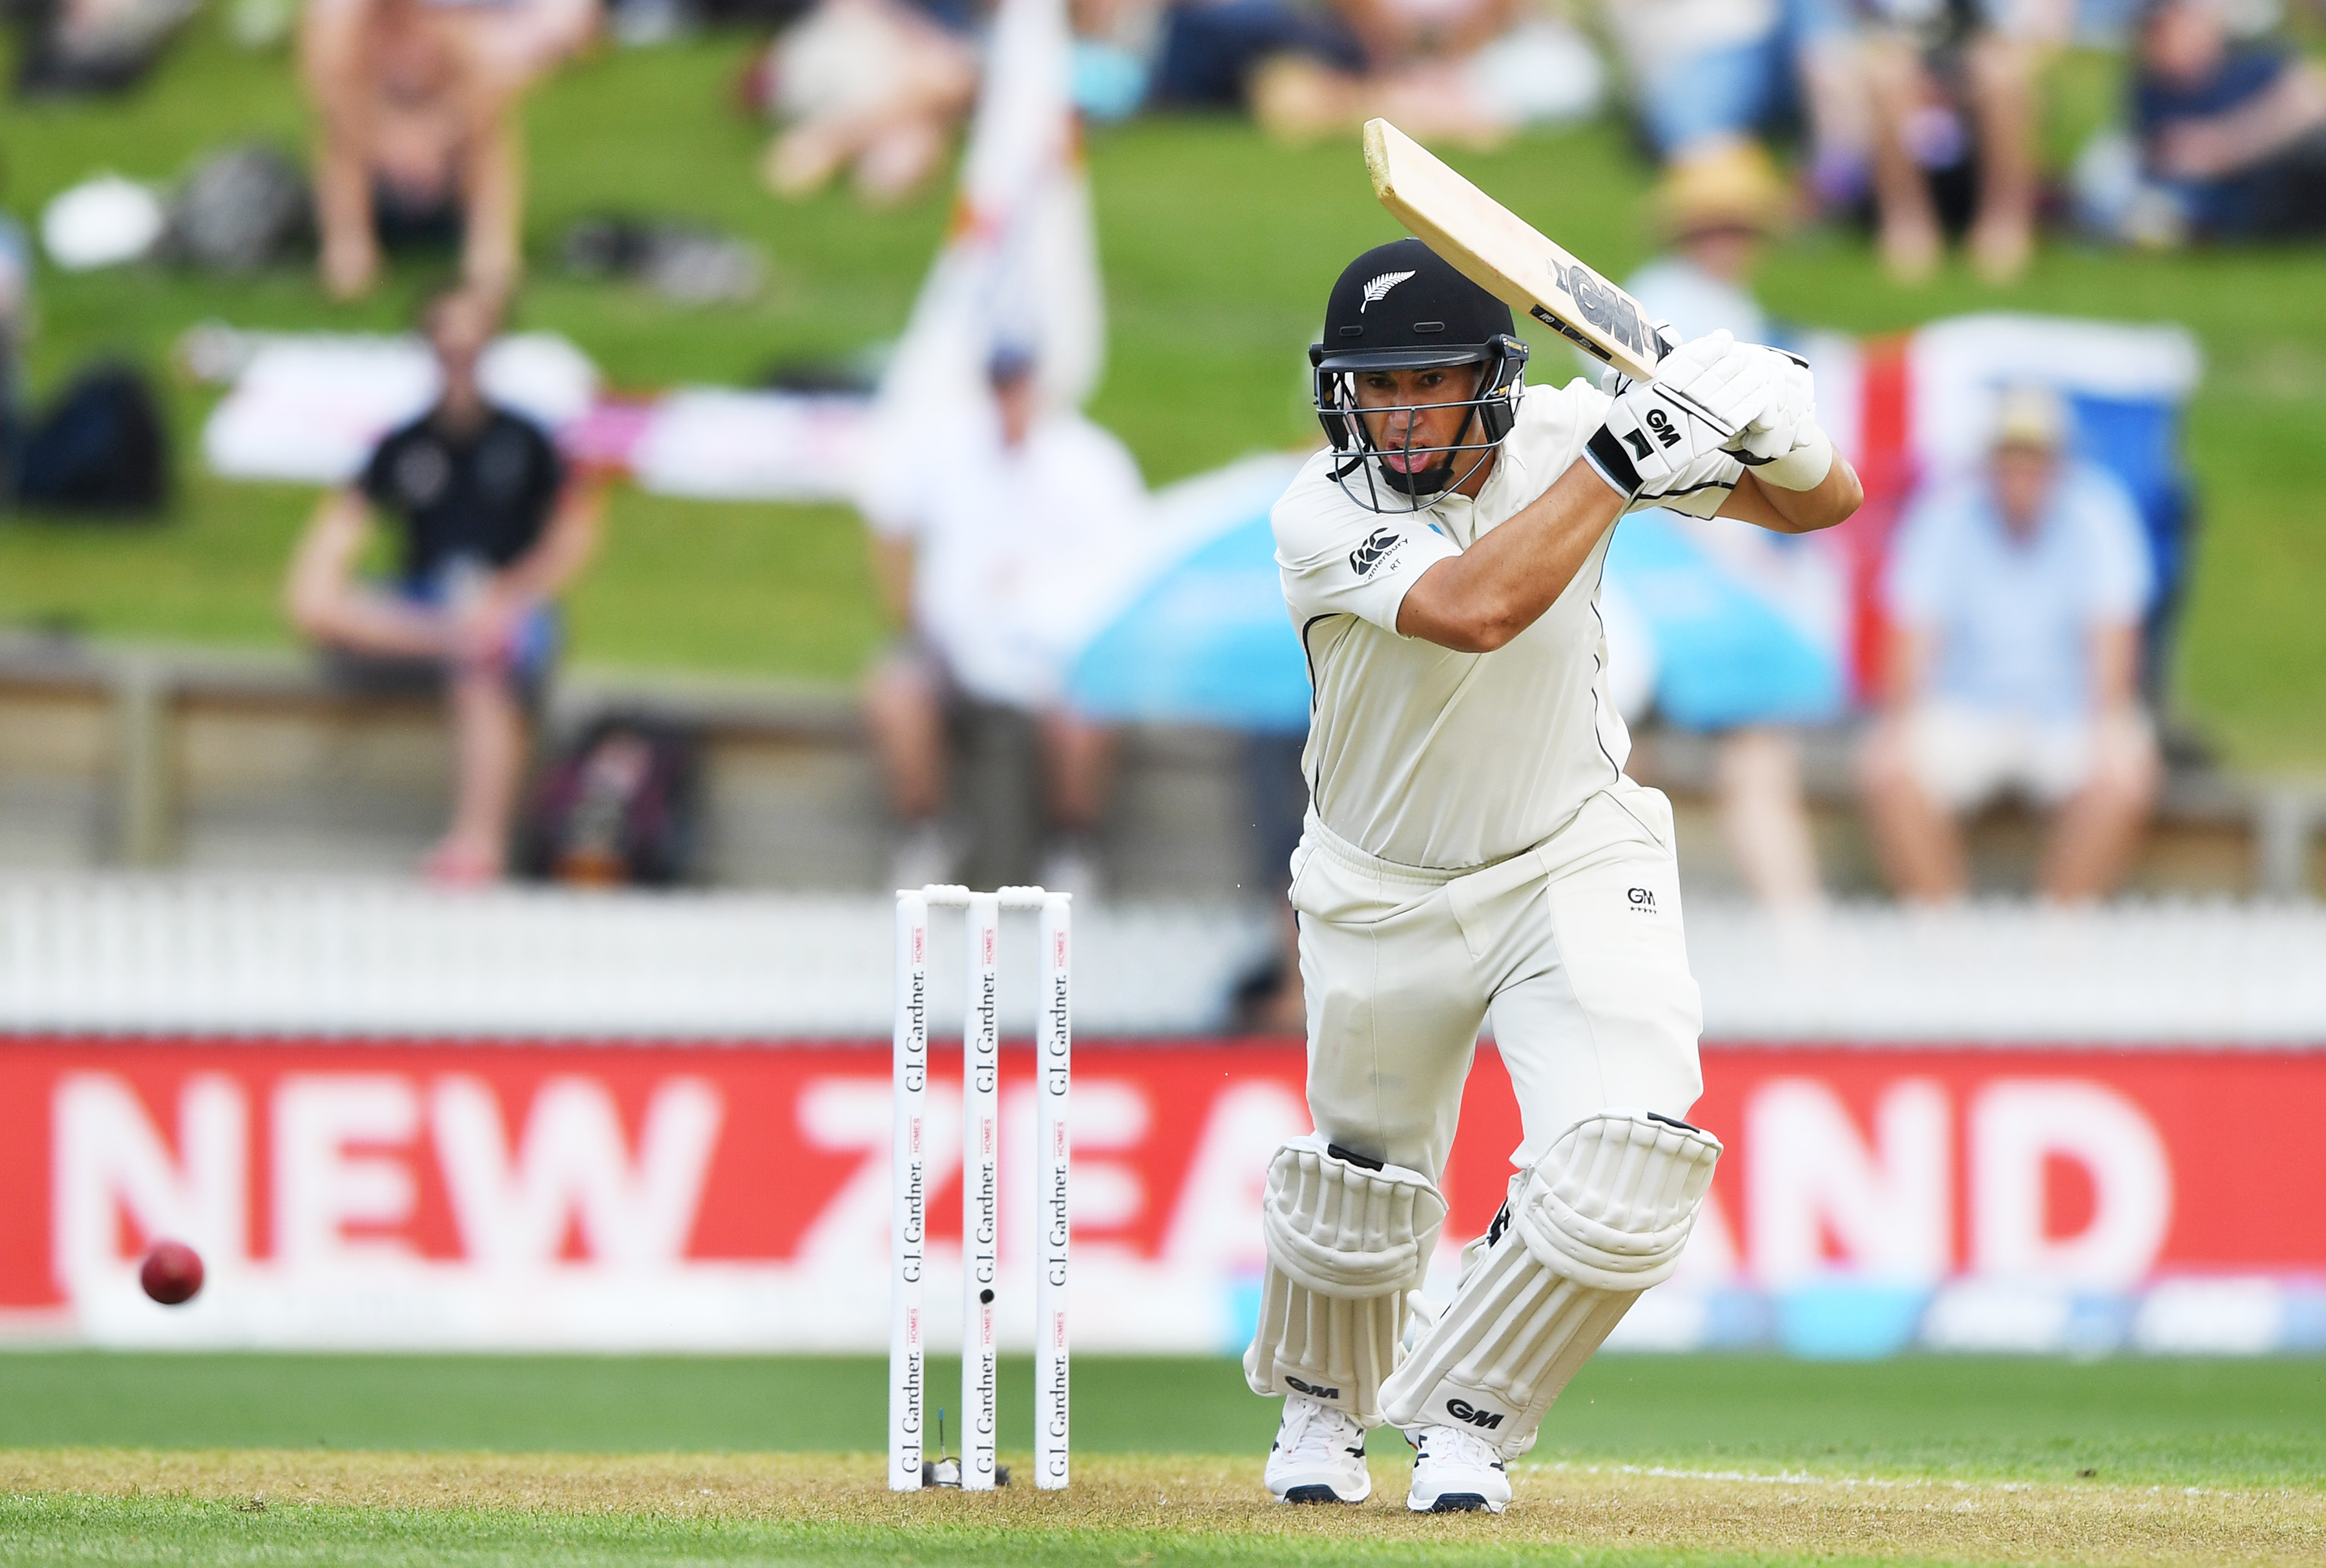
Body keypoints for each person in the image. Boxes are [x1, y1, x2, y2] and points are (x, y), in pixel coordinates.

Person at [1249, 239, 1859, 1512]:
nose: (1397, 414)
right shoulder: (1320, 511)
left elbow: (1820, 506)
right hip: (1378, 885)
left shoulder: (1570, 434)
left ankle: (1468, 1418)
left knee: (1624, 1170)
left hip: (1568, 853)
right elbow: (1476, 607)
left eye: (1426, 383)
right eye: (1376, 386)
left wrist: (1778, 425)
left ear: (1492, 377)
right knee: (1362, 1194)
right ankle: (1322, 1408)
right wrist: (1628, 456)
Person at [284, 286, 602, 884]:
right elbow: (334, 543)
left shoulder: (527, 439)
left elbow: (574, 535)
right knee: (350, 612)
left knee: (484, 660)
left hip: (505, 600)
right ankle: (457, 640)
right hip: (429, 605)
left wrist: (509, 593)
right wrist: (323, 581)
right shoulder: (403, 444)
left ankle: (478, 842)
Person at [1622, 145, 1843, 912]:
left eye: (1738, 225)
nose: (1729, 240)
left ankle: (1793, 937)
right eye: (1716, 225)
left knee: (1750, 748)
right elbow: (1660, 452)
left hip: (1705, 550)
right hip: (1663, 551)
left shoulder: (1725, 309)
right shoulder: (1663, 307)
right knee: (1623, 753)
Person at [861, 344, 1147, 896]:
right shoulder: (943, 447)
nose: (1009, 399)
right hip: (951, 647)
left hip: (1058, 651)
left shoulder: (1092, 461)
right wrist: (910, 614)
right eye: (1000, 384)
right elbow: (889, 519)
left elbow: (1125, 564)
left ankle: (1072, 847)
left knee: (1089, 709)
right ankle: (924, 835)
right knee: (896, 693)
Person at [1858, 384, 2159, 903]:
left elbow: (2113, 639)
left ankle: (2059, 926)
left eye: (2034, 456)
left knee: (2125, 773)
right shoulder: (1945, 513)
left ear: (2060, 461)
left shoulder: (2099, 513)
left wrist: (2108, 723)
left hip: (2067, 711)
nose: (2022, 472)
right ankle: (1942, 924)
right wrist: (1899, 722)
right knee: (1887, 770)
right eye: (2011, 456)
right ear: (1989, 460)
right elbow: (1913, 634)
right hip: (1965, 705)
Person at [301, 0, 594, 301]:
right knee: (340, 147)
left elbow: (486, 95)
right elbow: (332, 103)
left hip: (443, 173)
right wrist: (390, 139)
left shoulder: (451, 30)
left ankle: (491, 256)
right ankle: (349, 252)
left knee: (489, 139)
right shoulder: (342, 30)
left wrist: (433, 134)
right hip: (377, 174)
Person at [2128, 0, 2326, 242]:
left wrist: (2227, 145)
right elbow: (2159, 158)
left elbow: (2310, 100)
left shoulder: (2253, 65)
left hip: (2295, 175)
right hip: (2239, 203)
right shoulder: (2153, 93)